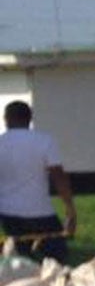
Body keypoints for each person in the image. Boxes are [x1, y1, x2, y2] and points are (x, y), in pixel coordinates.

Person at [0, 101, 76, 263]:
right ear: (30, 119)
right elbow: (58, 176)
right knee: (56, 259)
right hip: (41, 212)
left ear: (5, 119)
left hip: (8, 214)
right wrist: (70, 209)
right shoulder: (44, 141)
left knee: (20, 259)